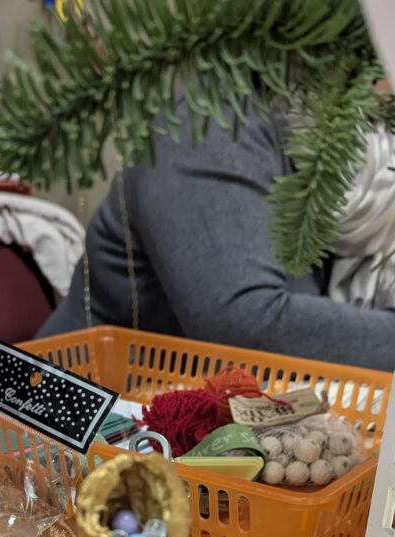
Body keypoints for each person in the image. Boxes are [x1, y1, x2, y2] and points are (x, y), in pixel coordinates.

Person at [37, 96, 395, 370]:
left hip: (228, 415)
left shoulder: (366, 148)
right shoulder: (210, 124)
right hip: (76, 418)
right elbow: (245, 323)